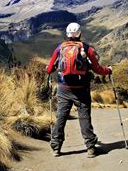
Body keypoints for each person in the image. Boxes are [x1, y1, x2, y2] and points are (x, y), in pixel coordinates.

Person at [46, 22, 112, 158]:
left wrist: (51, 69)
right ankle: (91, 148)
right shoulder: (87, 49)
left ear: (67, 34)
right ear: (80, 33)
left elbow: (49, 68)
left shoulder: (60, 48)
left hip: (63, 89)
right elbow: (98, 69)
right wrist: (109, 70)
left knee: (61, 118)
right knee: (84, 118)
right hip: (81, 90)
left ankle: (56, 148)